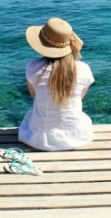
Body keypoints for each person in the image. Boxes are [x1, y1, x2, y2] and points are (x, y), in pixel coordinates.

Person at [18, 17, 94, 151]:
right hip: (76, 136)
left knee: (31, 114)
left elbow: (34, 95)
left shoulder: (33, 67)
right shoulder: (84, 69)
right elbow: (80, 96)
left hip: (39, 138)